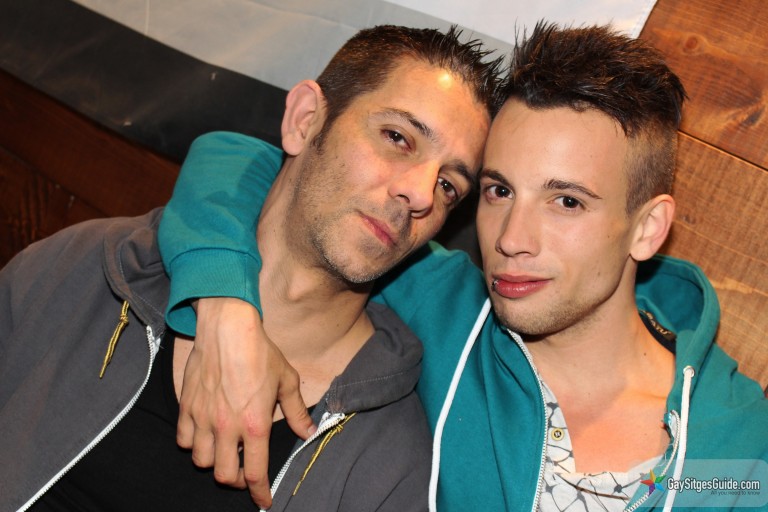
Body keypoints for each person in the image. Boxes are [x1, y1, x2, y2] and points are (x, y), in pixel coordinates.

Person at [157, 22, 768, 511]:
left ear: (648, 228)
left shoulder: (738, 448)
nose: (511, 240)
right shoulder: (449, 310)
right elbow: (245, 163)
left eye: (566, 202)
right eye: (499, 191)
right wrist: (225, 307)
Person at [0, 25, 504, 512]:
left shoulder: (388, 463)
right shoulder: (91, 271)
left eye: (448, 186)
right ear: (306, 119)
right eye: (397, 137)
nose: (420, 194)